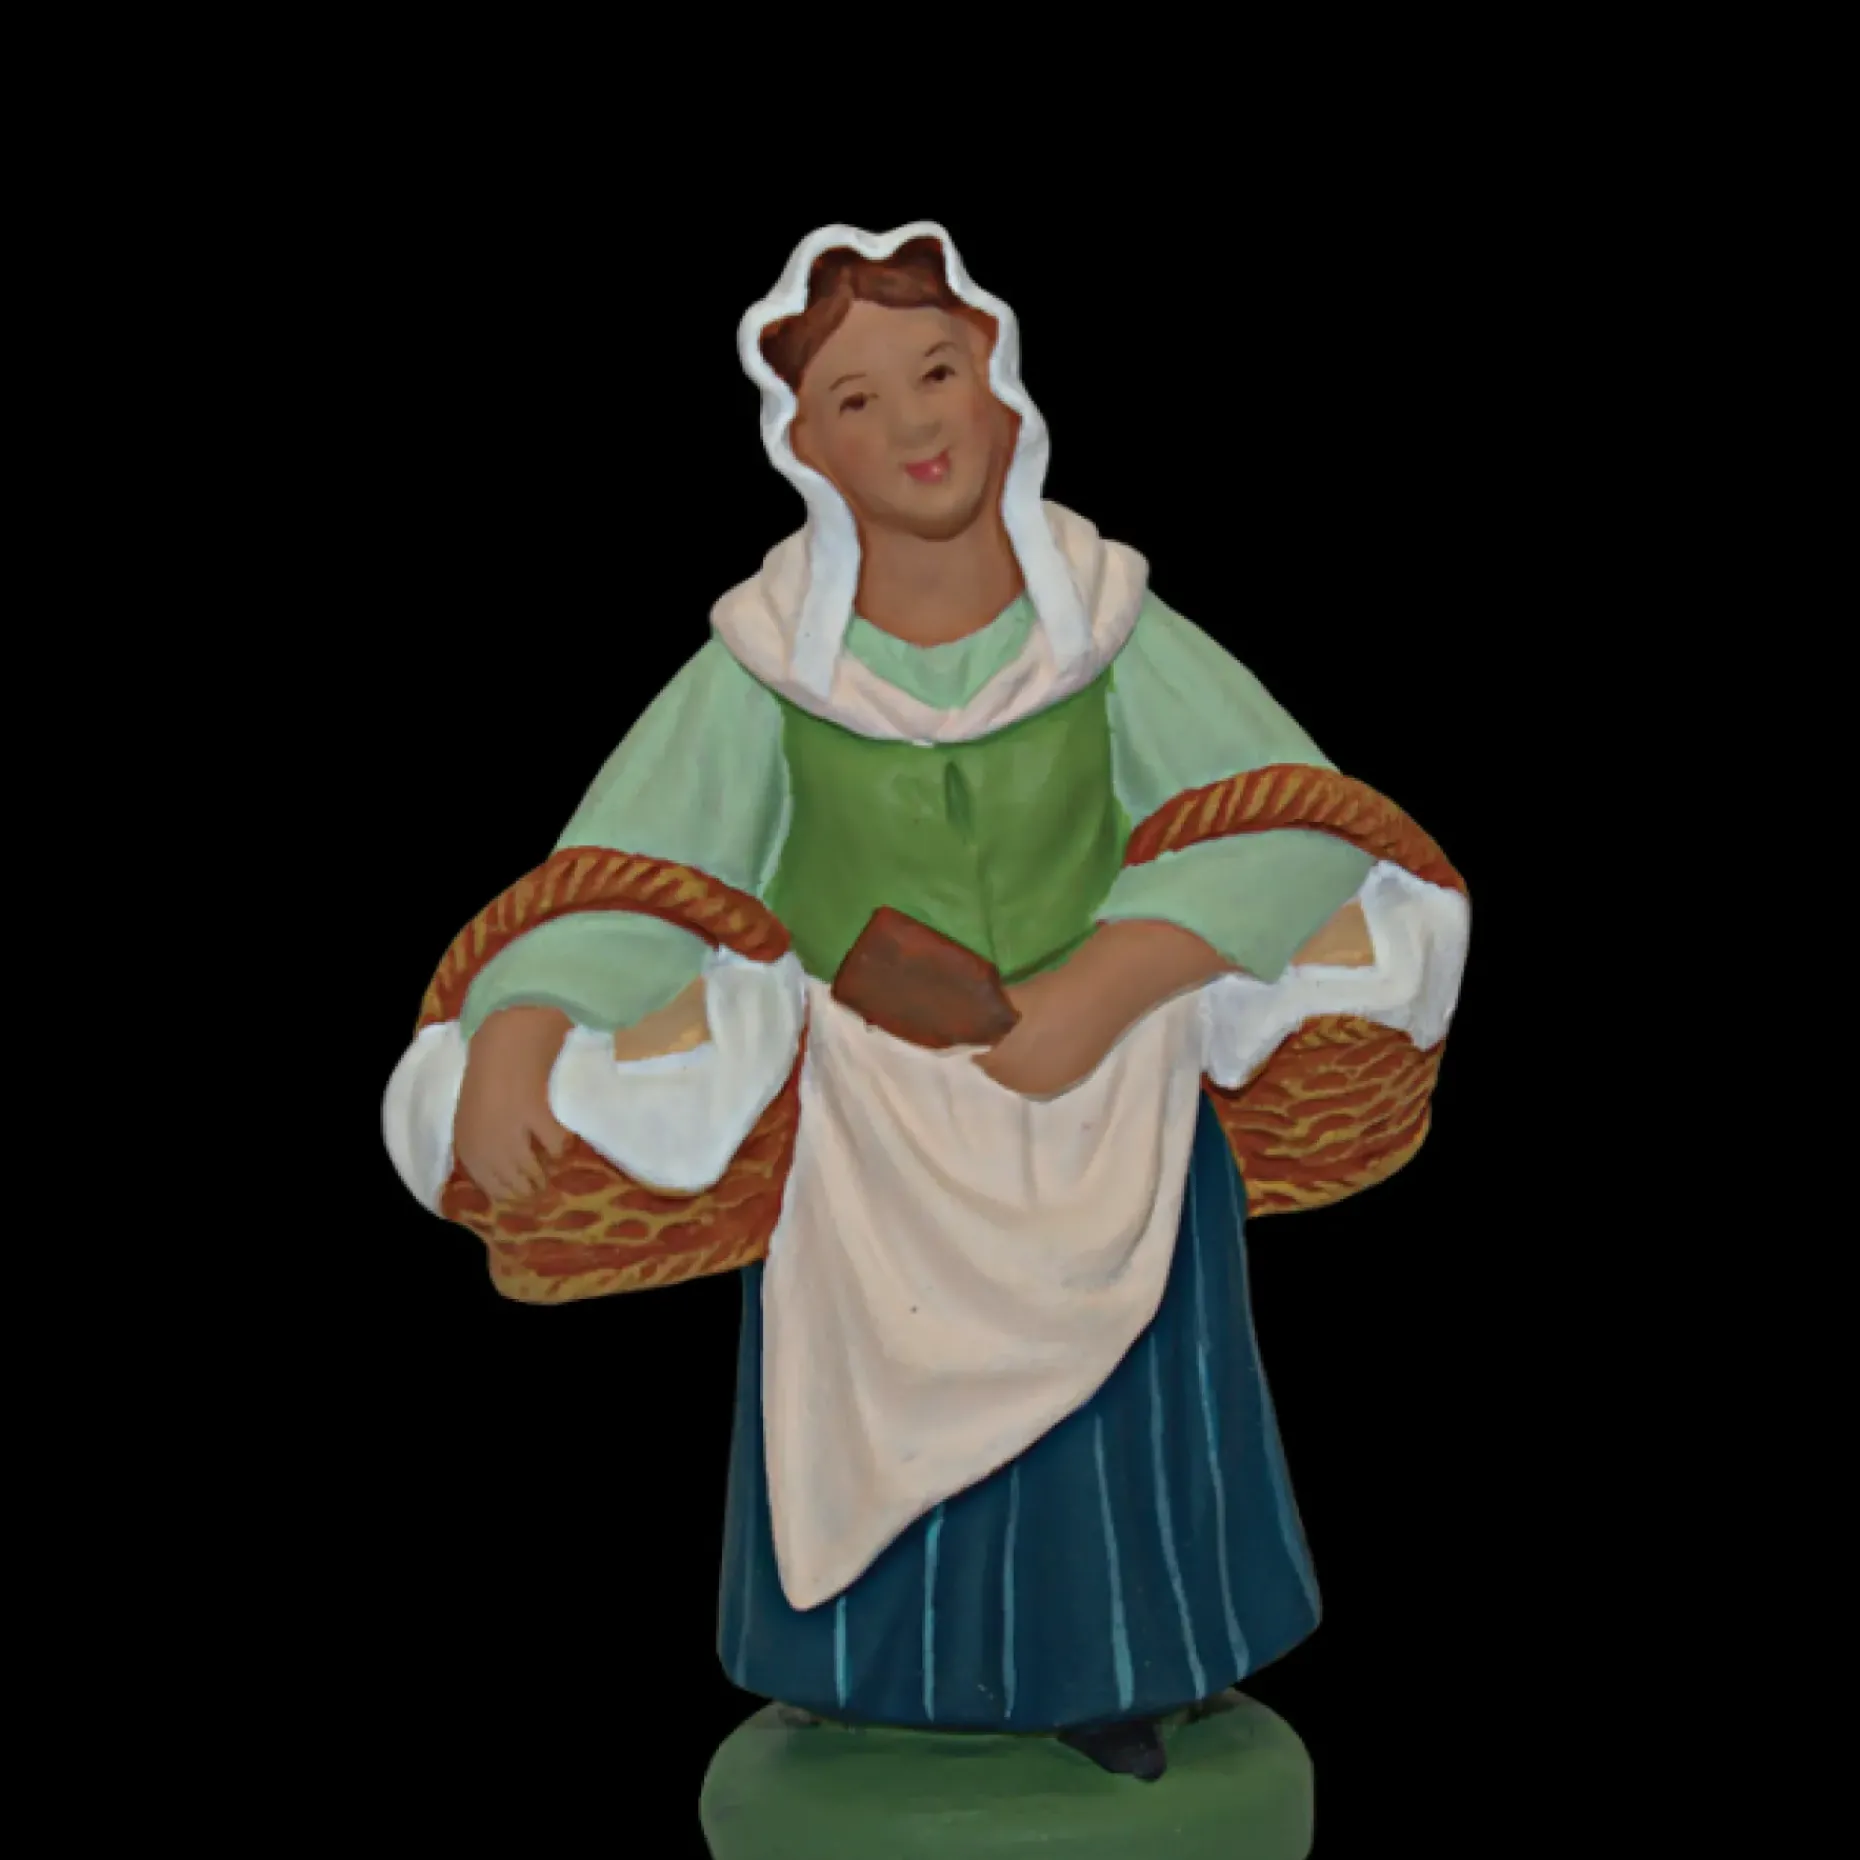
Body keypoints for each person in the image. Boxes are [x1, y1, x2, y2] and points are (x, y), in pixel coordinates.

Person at [399, 223, 1467, 1782]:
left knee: (1115, 1410)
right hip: (874, 1136)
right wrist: (524, 1020)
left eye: (938, 372)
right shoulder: (767, 671)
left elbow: (1298, 825)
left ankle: (1124, 1667)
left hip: (1107, 1107)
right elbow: (636, 868)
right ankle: (869, 1672)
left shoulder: (1108, 630)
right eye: (856, 400)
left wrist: (1112, 981)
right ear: (805, 448)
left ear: (1001, 388)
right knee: (864, 1391)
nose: (913, 424)